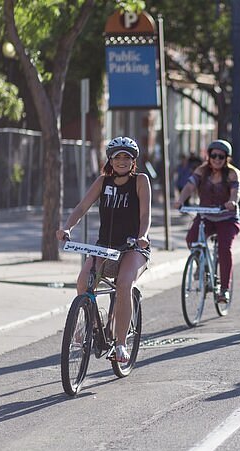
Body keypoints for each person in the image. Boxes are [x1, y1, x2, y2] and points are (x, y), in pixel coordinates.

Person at [56, 136, 152, 363]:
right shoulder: (103, 182)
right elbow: (81, 207)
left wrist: (143, 236)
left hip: (133, 247)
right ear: (110, 160)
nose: (121, 161)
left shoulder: (140, 180)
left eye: (126, 157)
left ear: (133, 161)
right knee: (83, 281)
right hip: (105, 247)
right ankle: (87, 325)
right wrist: (67, 228)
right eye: (117, 157)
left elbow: (145, 213)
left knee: (124, 284)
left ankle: (120, 344)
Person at [173, 139, 240, 304]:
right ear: (208, 156)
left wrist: (232, 202)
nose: (217, 159)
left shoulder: (233, 173)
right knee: (191, 239)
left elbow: (236, 192)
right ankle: (202, 267)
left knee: (225, 249)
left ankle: (224, 290)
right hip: (206, 215)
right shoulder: (201, 171)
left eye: (221, 156)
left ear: (227, 158)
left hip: (227, 217)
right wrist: (180, 200)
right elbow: (189, 186)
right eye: (214, 155)